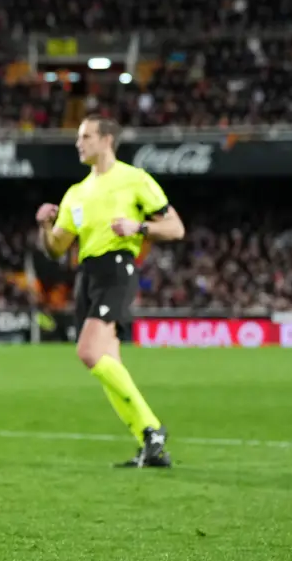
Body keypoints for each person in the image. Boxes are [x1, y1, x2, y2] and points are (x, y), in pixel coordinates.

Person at [35, 115, 184, 467]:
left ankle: (151, 427)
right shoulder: (76, 193)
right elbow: (57, 248)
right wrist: (45, 225)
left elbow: (176, 228)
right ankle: (150, 446)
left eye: (85, 136)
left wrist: (140, 226)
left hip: (117, 268)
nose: (78, 143)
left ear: (106, 140)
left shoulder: (134, 179)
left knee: (88, 352)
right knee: (108, 361)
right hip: (87, 274)